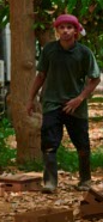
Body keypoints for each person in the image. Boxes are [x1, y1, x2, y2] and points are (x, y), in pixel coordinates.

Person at [28, 13, 99, 193]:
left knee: (82, 145)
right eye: (62, 27)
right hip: (52, 103)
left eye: (69, 27)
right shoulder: (49, 50)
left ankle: (85, 179)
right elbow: (41, 76)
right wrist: (31, 99)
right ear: (57, 30)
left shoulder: (84, 53)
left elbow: (94, 79)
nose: (65, 31)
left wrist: (80, 98)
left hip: (75, 105)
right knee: (49, 144)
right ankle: (50, 182)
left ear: (75, 31)